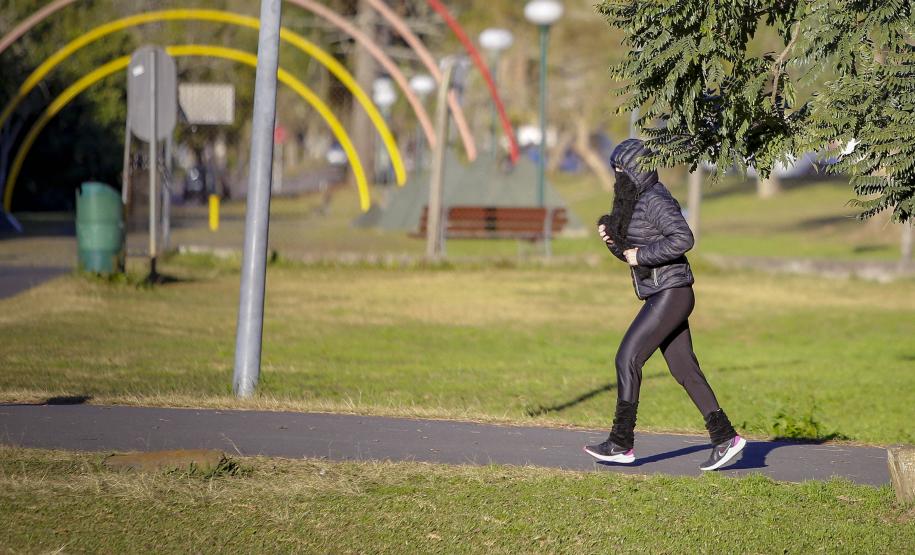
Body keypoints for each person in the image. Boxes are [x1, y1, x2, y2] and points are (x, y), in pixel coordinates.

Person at [583, 138, 745, 471]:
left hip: (672, 292)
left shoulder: (655, 199)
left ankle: (620, 443)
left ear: (636, 170)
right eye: (615, 170)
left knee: (627, 357)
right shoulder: (635, 201)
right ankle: (725, 438)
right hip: (662, 291)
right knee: (684, 369)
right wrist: (614, 242)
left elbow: (684, 238)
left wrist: (640, 254)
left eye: (621, 170)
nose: (617, 177)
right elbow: (633, 258)